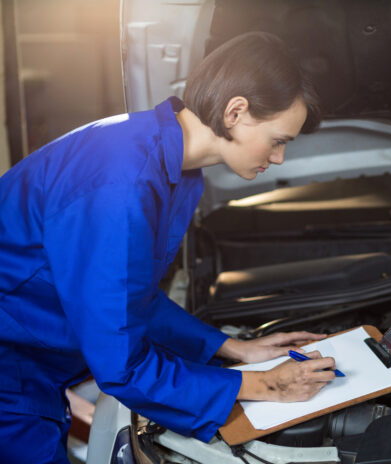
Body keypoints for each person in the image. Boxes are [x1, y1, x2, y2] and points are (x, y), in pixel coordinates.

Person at [0, 31, 333, 463]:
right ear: (236, 112)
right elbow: (121, 367)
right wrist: (266, 385)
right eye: (279, 140)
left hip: (31, 361)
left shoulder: (171, 167)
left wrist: (231, 349)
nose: (280, 158)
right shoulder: (123, 184)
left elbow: (129, 297)